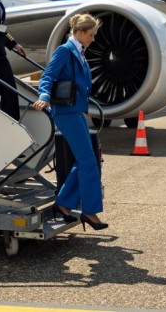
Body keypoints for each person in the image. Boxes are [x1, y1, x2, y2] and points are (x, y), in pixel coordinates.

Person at [32, 13, 108, 231]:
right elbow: (48, 75)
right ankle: (90, 212)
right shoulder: (65, 51)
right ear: (81, 32)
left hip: (76, 110)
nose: (93, 39)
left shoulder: (79, 51)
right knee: (88, 161)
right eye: (91, 35)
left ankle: (64, 204)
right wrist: (44, 96)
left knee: (85, 159)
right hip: (66, 112)